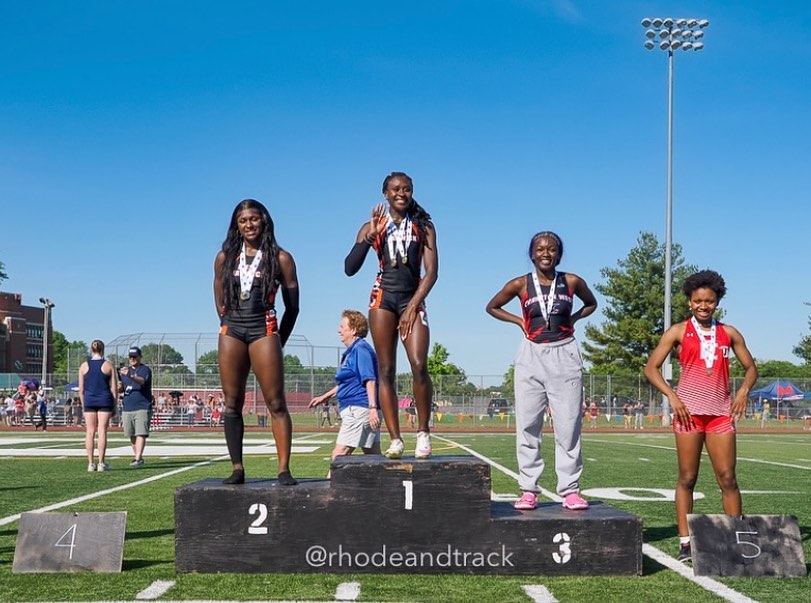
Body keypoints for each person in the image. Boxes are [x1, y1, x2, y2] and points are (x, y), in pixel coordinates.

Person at [644, 269, 757, 562]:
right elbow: (651, 368)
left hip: (720, 414)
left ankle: (738, 539)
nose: (703, 306)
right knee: (687, 477)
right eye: (697, 301)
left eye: (709, 301)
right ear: (689, 302)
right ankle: (685, 543)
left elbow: (751, 368)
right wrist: (672, 395)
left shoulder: (729, 333)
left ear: (717, 301)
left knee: (728, 478)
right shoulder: (678, 332)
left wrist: (743, 390)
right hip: (688, 415)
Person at [486, 231, 597, 511]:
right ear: (532, 254)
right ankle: (528, 489)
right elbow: (492, 307)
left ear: (558, 254)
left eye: (552, 249)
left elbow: (591, 303)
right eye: (540, 249)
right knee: (528, 424)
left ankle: (570, 490)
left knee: (568, 425)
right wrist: (519, 322)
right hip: (531, 353)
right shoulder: (520, 284)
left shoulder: (571, 281)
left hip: (565, 352)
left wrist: (573, 318)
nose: (546, 253)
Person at [344, 171, 438, 459]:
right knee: (385, 370)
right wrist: (367, 238)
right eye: (395, 189)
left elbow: (432, 273)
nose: (401, 193)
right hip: (383, 299)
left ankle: (423, 431)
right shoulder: (374, 225)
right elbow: (349, 267)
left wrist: (412, 307)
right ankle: (395, 438)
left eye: (407, 189)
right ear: (385, 193)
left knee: (419, 363)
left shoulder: (424, 226)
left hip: (412, 299)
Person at [214, 199, 299, 485]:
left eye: (254, 219)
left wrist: (278, 340)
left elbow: (293, 307)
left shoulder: (281, 258)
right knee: (232, 402)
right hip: (233, 331)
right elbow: (218, 289)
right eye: (243, 220)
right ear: (236, 225)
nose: (249, 225)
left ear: (264, 220)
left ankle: (283, 469)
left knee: (275, 402)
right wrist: (224, 320)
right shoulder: (226, 257)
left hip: (264, 330)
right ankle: (237, 467)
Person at [308, 310, 381, 465]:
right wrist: (325, 397)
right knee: (374, 458)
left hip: (359, 410)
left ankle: (330, 488)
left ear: (353, 330)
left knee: (339, 456)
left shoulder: (360, 349)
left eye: (342, 326)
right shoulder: (353, 351)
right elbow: (349, 382)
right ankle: (387, 488)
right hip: (360, 410)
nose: (338, 330)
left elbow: (370, 379)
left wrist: (372, 408)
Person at [78, 340, 118, 472]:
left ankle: (90, 463)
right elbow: (114, 389)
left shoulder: (84, 366)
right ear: (103, 350)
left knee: (89, 432)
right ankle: (101, 463)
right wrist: (115, 405)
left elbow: (81, 389)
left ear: (91, 349)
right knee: (102, 431)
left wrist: (84, 405)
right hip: (104, 400)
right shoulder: (108, 365)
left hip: (89, 400)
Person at [119, 346, 153, 467]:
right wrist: (118, 386)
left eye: (135, 357)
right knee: (131, 434)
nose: (132, 359)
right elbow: (121, 388)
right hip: (128, 406)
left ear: (139, 357)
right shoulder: (124, 372)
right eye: (131, 357)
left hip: (142, 405)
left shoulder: (145, 370)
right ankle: (138, 457)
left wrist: (131, 376)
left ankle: (137, 458)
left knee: (141, 433)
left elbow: (142, 381)